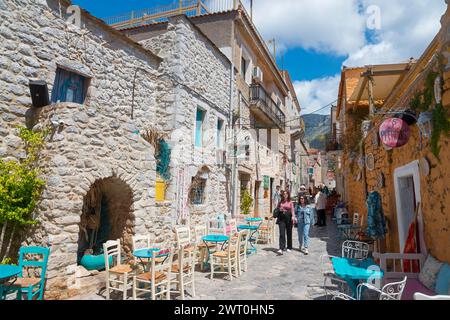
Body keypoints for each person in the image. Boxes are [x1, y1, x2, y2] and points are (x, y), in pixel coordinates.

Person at [275, 190, 295, 255]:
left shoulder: (290, 202)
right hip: (281, 219)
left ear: (288, 195)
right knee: (282, 233)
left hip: (289, 218)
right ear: (283, 195)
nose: (285, 195)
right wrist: (279, 209)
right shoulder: (280, 202)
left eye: (286, 194)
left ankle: (289, 247)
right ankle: (281, 248)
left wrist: (293, 217)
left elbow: (292, 210)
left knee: (289, 233)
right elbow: (277, 209)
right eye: (284, 194)